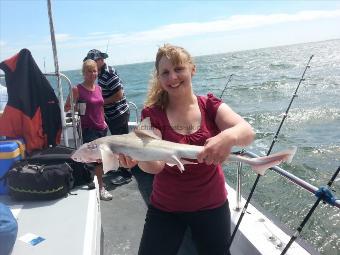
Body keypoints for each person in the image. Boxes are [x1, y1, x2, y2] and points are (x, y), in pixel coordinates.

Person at [119, 44, 255, 255]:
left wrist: (228, 136)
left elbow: (247, 133)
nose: (173, 77)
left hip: (212, 205)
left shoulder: (210, 105)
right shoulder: (151, 114)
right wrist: (137, 156)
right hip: (166, 207)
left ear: (192, 69)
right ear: (159, 78)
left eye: (178, 69)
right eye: (165, 72)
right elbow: (155, 166)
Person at [64, 59, 112, 201]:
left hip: (102, 128)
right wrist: (78, 108)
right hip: (89, 129)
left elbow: (100, 106)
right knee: (97, 160)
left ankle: (95, 182)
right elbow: (67, 107)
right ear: (83, 73)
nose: (93, 74)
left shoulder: (99, 89)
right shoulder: (77, 89)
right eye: (89, 71)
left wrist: (104, 122)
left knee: (101, 158)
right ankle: (101, 188)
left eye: (95, 70)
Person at [83, 49, 132, 182]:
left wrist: (101, 103)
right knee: (118, 144)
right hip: (112, 114)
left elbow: (119, 94)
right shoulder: (101, 73)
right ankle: (121, 168)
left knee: (122, 145)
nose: (91, 65)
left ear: (100, 60)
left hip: (118, 114)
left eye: (93, 61)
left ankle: (126, 174)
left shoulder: (108, 73)